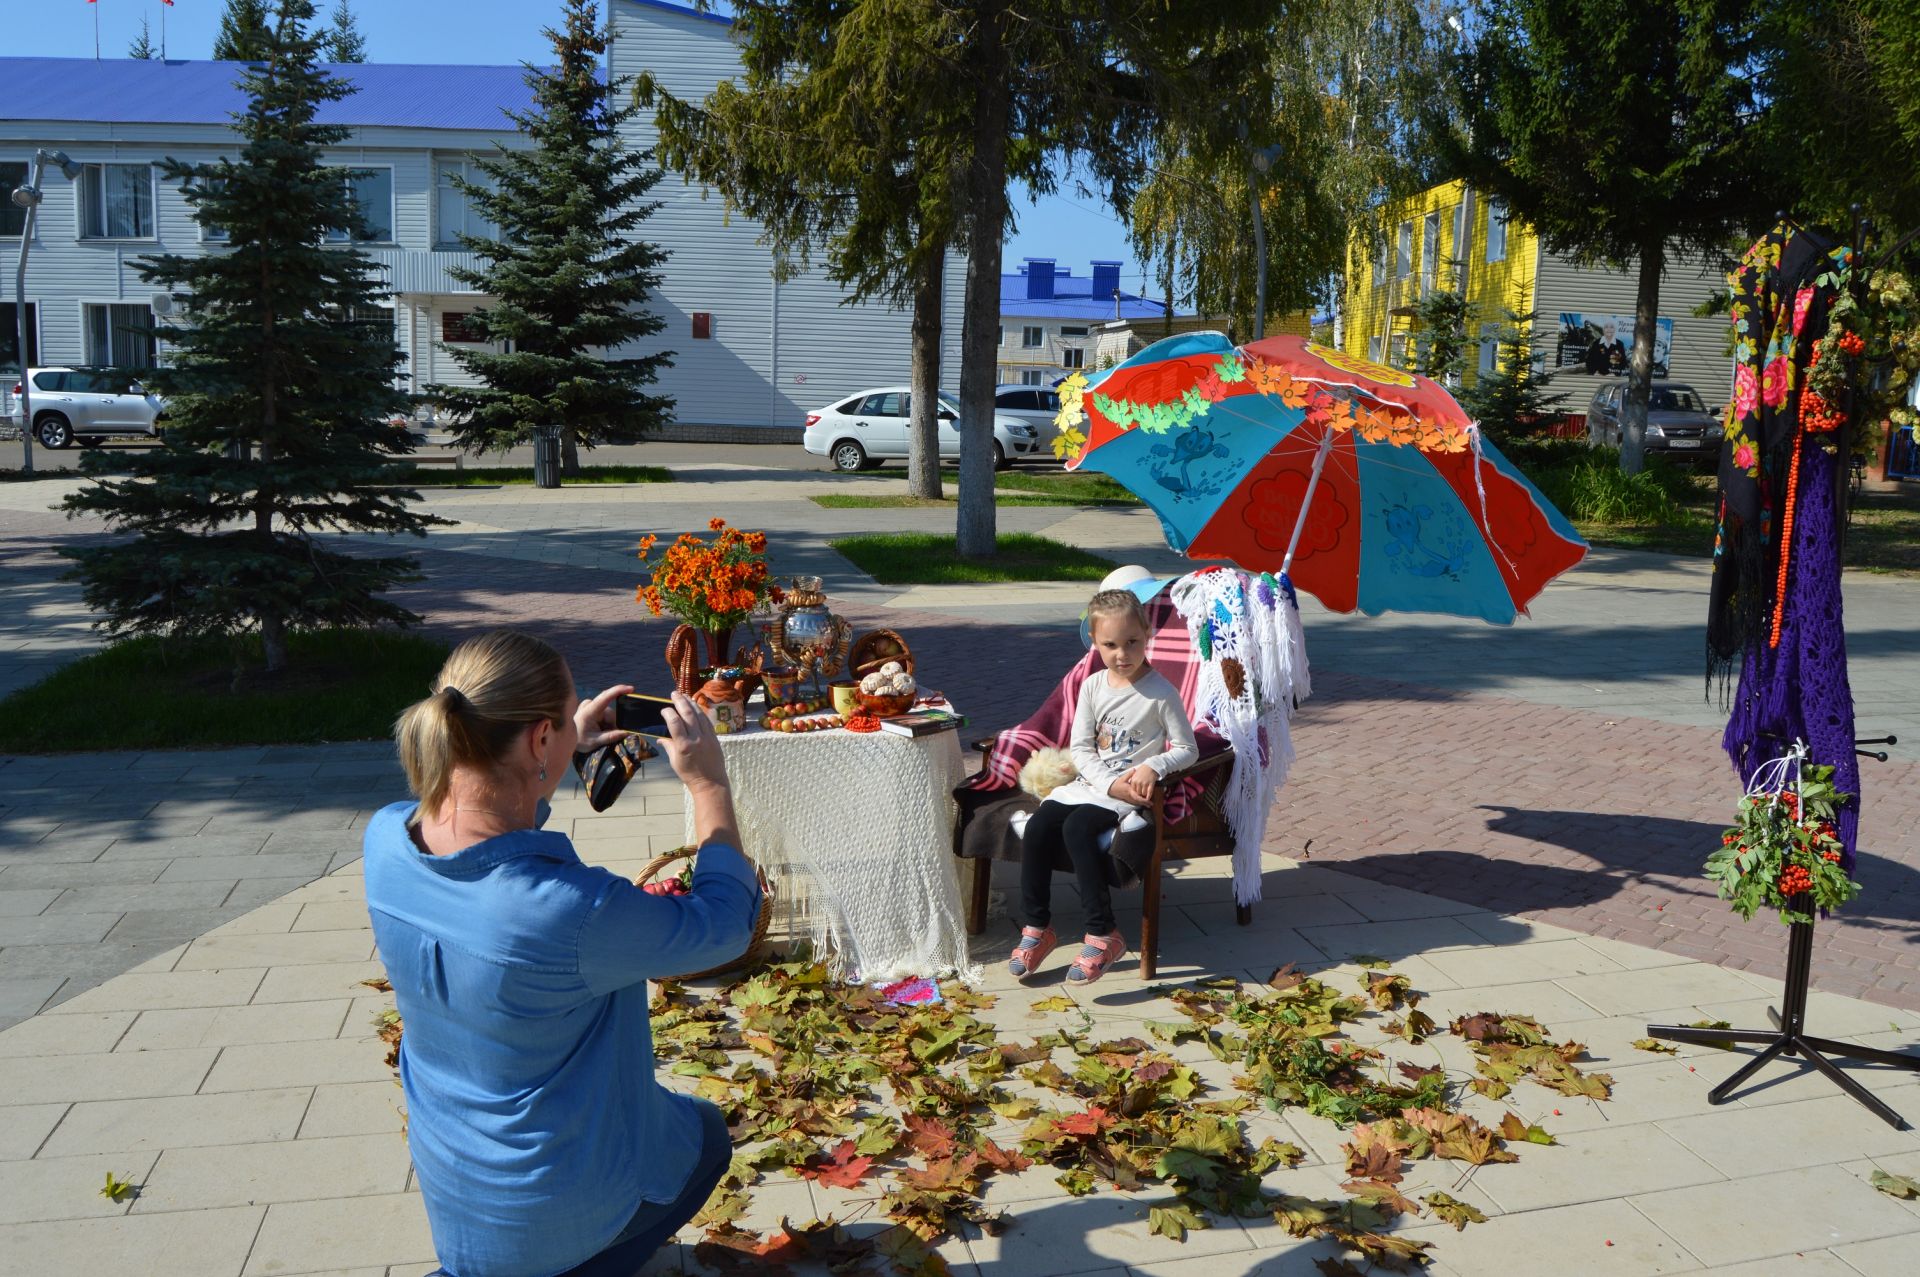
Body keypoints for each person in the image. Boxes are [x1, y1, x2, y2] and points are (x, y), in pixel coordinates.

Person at [363, 630, 760, 1277]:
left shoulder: (385, 838)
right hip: (547, 1207)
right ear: (536, 739)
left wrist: (553, 752)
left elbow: (485, 831)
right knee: (706, 1136)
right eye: (563, 723)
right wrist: (710, 784)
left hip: (459, 1196)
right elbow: (723, 926)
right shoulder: (572, 910)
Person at [1010, 589, 1197, 984]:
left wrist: (1154, 765)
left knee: (1077, 828)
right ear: (1094, 642)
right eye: (1110, 645)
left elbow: (1187, 749)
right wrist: (1107, 783)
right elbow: (1080, 748)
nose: (1122, 654)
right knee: (1042, 826)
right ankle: (1037, 928)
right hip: (1094, 784)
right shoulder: (1093, 686)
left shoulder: (1161, 693)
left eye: (1132, 642)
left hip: (1128, 796)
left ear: (1147, 634)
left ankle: (1103, 932)